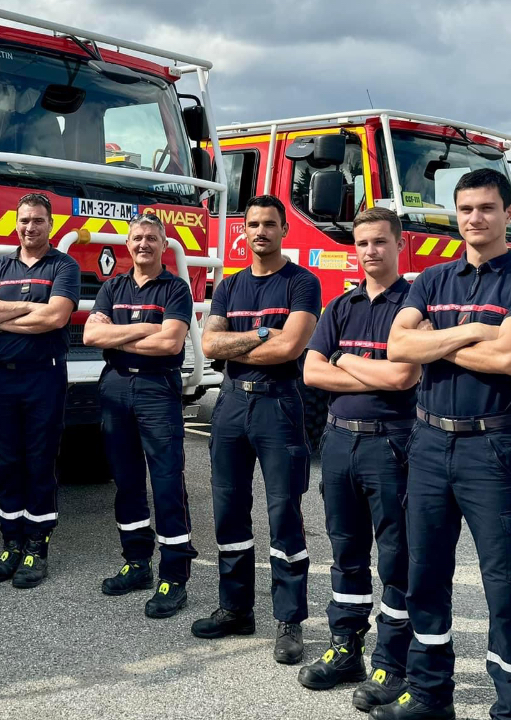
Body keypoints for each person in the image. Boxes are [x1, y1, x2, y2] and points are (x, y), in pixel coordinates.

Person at [380, 169, 511, 720]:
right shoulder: (431, 279)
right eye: (465, 209)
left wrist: (434, 342)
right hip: (428, 442)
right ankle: (430, 693)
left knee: (505, 578)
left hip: (490, 446)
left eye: (486, 208)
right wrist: (476, 330)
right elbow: (397, 346)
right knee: (425, 573)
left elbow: (508, 359)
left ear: (507, 213)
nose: (474, 218)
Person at [297, 207, 420, 712]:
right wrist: (370, 370)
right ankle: (345, 647)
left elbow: (403, 378)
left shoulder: (414, 305)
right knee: (346, 551)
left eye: (380, 241)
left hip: (390, 445)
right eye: (363, 242)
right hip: (339, 443)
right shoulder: (341, 305)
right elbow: (311, 372)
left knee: (396, 557)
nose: (371, 250)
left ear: (399, 245)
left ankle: (391, 661)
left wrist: (344, 360)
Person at [192, 194, 320, 665]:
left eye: (269, 223)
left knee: (284, 511)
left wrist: (239, 344)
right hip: (230, 404)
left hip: (278, 404)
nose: (260, 231)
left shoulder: (302, 283)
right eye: (252, 224)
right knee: (228, 508)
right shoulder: (229, 285)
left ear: (284, 229)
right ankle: (235, 608)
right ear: (243, 231)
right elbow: (209, 344)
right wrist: (263, 334)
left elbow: (290, 349)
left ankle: (289, 620)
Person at [82, 212, 197, 618]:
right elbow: (91, 335)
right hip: (115, 386)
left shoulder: (175, 288)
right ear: (127, 245)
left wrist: (118, 334)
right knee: (126, 480)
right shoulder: (112, 286)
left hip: (156, 388)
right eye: (137, 238)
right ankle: (136, 563)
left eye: (152, 238)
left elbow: (170, 344)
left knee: (166, 482)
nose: (144, 244)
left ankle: (174, 577)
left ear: (164, 245)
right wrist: (146, 329)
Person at [0, 192, 79, 589]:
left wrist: (1, 316)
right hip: (2, 377)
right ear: (17, 224)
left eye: (38, 220)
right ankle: (11, 544)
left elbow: (56, 316)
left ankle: (36, 547)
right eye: (25, 220)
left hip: (43, 376)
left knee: (39, 461)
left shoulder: (63, 265)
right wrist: (29, 310)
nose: (31, 227)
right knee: (7, 461)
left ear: (51, 225)